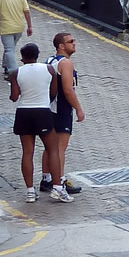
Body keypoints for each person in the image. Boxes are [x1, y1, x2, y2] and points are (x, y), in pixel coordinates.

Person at [8, 42, 62, 202]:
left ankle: (30, 191)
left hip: (24, 112)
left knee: (27, 152)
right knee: (52, 150)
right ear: (37, 55)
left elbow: (14, 97)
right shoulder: (49, 69)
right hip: (43, 111)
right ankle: (58, 188)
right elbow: (53, 91)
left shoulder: (16, 72)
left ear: (22, 57)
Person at [40, 32, 85, 198]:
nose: (74, 43)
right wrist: (78, 109)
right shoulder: (66, 63)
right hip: (61, 109)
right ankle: (59, 181)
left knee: (49, 146)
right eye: (70, 41)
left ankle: (46, 178)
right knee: (60, 147)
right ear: (61, 46)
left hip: (49, 107)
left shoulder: (50, 60)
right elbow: (67, 89)